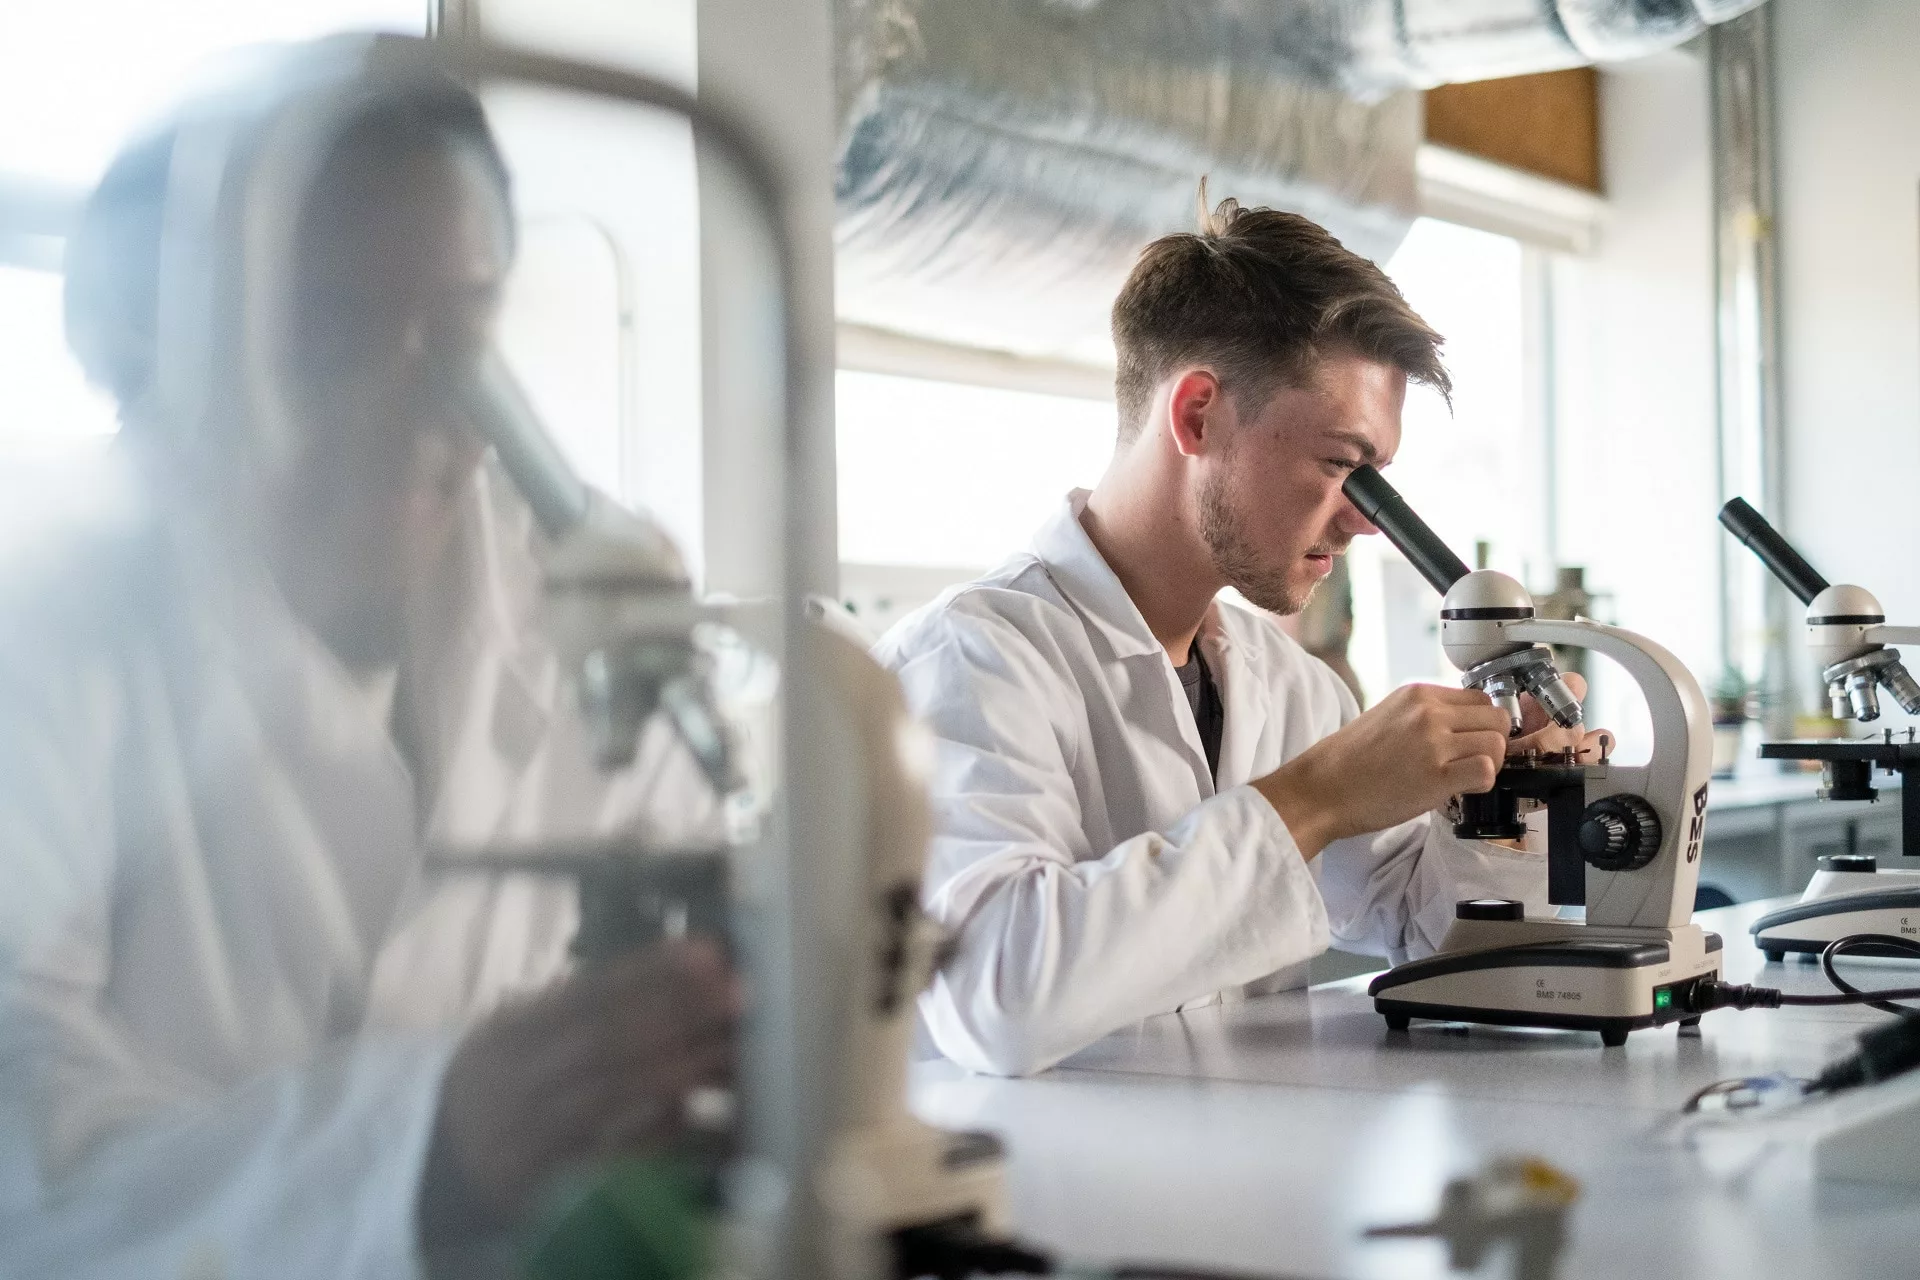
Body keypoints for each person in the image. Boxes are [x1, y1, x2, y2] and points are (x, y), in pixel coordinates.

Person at [0, 44, 737, 1277]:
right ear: (163, 357)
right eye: (327, 335)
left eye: (458, 335)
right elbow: (22, 1145)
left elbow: (701, 894)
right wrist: (426, 1143)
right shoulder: (45, 612)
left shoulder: (576, 584)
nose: (419, 407)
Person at [875, 195, 1608, 1077]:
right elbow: (997, 995)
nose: (1365, 523)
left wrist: (1505, 801)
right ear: (1197, 416)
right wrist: (1312, 797)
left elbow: (1433, 941)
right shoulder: (972, 658)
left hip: (1253, 1184)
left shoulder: (1286, 685)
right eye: (1342, 466)